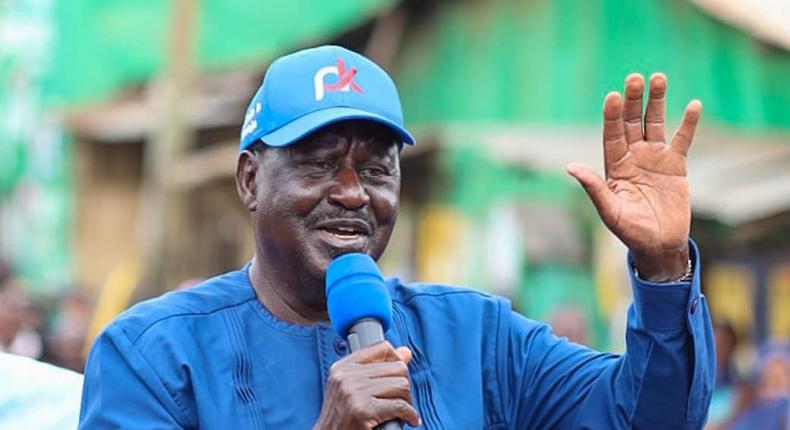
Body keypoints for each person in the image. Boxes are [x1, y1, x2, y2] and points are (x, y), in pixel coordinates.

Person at [79, 45, 714, 429]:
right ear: (250, 178)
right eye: (319, 162)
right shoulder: (153, 358)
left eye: (376, 168)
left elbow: (646, 420)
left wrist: (662, 269)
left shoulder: (479, 339)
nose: (353, 191)